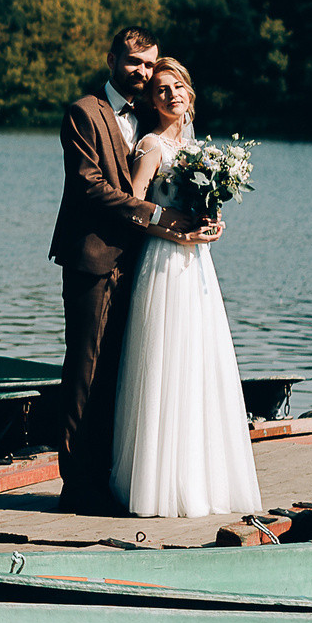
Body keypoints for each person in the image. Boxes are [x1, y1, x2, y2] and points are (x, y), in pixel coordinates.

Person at [46, 26, 209, 514]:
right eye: (134, 62)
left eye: (148, 63)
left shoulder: (148, 116)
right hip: (92, 261)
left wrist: (203, 216)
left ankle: (110, 477)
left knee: (121, 373)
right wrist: (162, 219)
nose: (141, 71)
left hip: (140, 266)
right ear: (113, 58)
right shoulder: (83, 112)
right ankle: (76, 485)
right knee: (84, 372)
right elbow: (89, 188)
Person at [107, 58, 262, 518]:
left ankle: (198, 479)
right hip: (164, 265)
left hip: (198, 267)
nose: (170, 95)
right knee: (165, 364)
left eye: (177, 87)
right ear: (151, 102)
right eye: (160, 90)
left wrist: (214, 225)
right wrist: (172, 232)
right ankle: (157, 484)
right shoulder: (152, 146)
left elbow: (199, 211)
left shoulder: (199, 149)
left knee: (198, 366)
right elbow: (131, 208)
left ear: (189, 94)